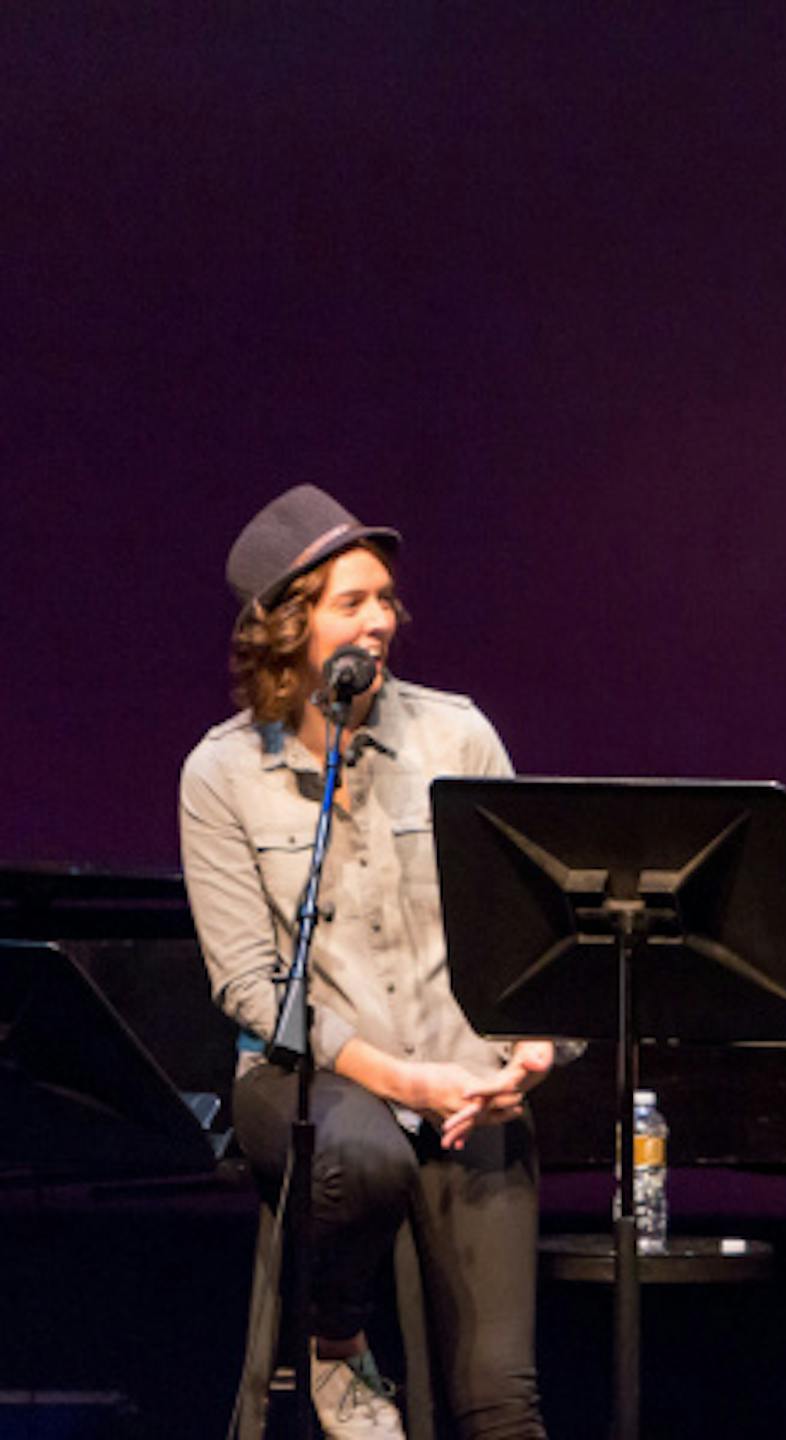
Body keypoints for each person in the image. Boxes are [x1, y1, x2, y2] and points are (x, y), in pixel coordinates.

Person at [180, 485, 552, 1440]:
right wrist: (402, 1081)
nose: (381, 621)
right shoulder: (221, 774)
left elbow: (530, 926)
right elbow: (250, 987)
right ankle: (337, 1342)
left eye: (386, 598)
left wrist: (528, 1048)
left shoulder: (456, 735)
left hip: (465, 1086)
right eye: (353, 602)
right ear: (290, 625)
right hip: (312, 1080)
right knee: (362, 1153)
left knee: (501, 1405)